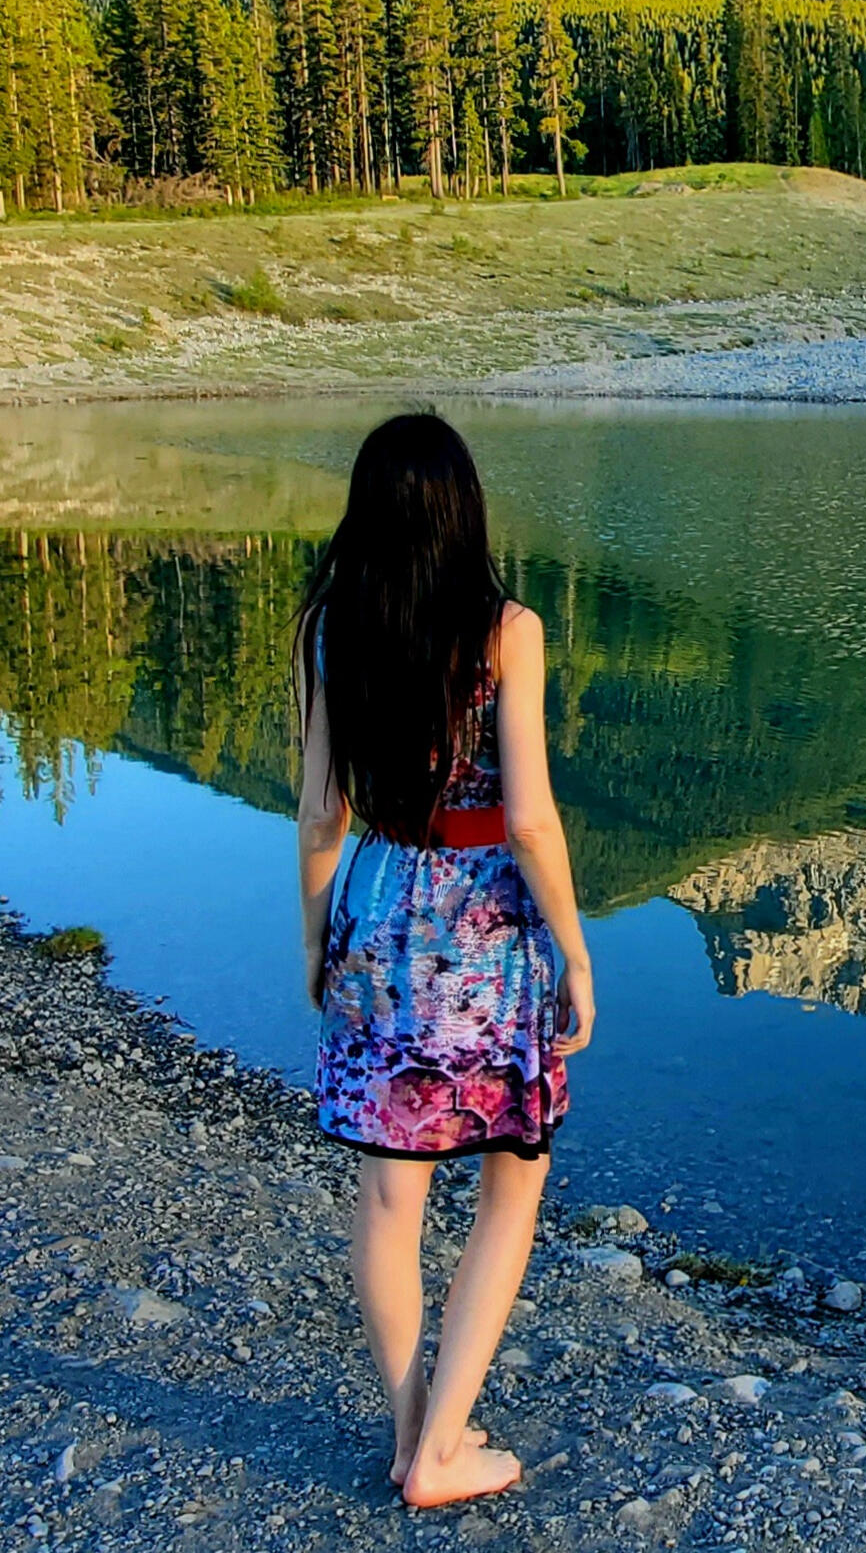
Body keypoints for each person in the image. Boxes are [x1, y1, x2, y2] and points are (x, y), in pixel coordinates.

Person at [295, 412, 595, 1508]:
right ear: (464, 512)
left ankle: (411, 1427)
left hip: (376, 907)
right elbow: (529, 821)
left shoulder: (333, 622)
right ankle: (440, 1453)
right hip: (483, 928)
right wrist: (575, 949)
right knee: (513, 1173)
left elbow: (321, 812)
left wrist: (317, 941)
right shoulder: (506, 629)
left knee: (388, 1196)